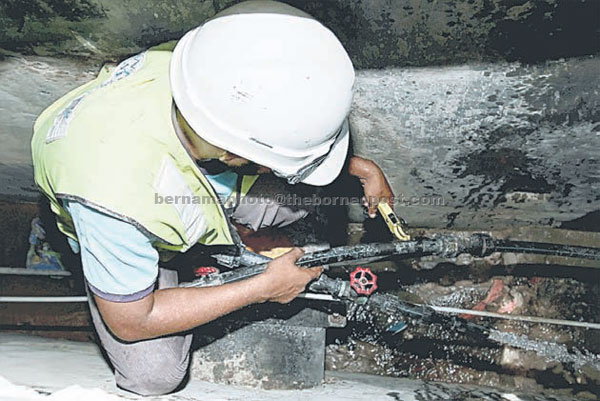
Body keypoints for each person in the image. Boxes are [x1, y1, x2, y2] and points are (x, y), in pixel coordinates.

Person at [31, 0, 394, 395]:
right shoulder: (110, 199)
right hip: (127, 217)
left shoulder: (207, 75)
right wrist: (262, 288)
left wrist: (360, 169)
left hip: (188, 183)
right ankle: (194, 267)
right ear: (233, 153)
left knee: (303, 198)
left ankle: (222, 248)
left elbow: (269, 127)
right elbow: (131, 322)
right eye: (271, 163)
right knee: (154, 374)